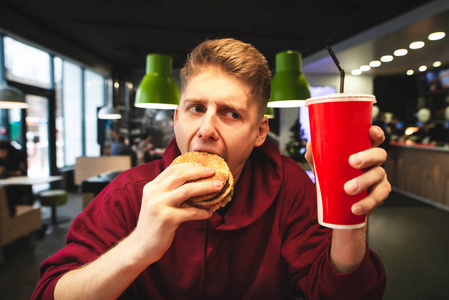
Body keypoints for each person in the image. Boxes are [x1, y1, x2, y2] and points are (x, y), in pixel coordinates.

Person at [32, 38, 390, 299]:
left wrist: (351, 212)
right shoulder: (131, 192)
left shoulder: (290, 186)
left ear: (259, 132)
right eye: (195, 108)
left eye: (231, 113)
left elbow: (338, 292)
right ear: (176, 118)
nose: (205, 129)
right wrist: (139, 245)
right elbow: (50, 292)